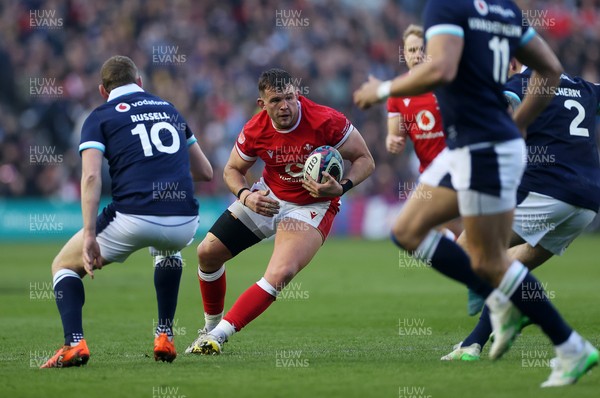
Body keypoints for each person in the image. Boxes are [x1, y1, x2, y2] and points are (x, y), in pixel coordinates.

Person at [354, 0, 597, 387]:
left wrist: (382, 88)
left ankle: (559, 339)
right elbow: (551, 69)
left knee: (473, 257)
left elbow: (441, 68)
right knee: (430, 239)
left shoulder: (446, 7)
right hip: (478, 144)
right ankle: (553, 335)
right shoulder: (505, 10)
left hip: (480, 145)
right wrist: (518, 124)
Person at [185, 68, 374, 355]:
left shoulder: (326, 120)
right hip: (268, 197)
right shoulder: (255, 129)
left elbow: (365, 159)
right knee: (206, 253)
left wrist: (343, 187)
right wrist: (246, 196)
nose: (285, 106)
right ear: (262, 104)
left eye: (289, 98)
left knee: (281, 271)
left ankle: (219, 336)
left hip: (312, 205)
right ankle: (209, 329)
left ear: (297, 95)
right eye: (276, 101)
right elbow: (232, 170)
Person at [40, 55, 213, 368]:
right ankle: (164, 335)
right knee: (168, 250)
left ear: (103, 90)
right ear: (140, 83)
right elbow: (205, 171)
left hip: (132, 215)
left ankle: (74, 344)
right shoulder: (169, 108)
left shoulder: (99, 116)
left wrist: (90, 233)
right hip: (185, 220)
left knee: (63, 266)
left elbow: (91, 176)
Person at [442, 59, 600, 363]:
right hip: (587, 202)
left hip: (548, 190)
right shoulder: (584, 88)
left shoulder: (519, 85)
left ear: (512, 61)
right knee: (513, 267)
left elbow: (503, 111)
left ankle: (512, 308)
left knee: (466, 248)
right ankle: (473, 344)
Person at [386, 24, 462, 239]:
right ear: (404, 54)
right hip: (428, 172)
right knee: (416, 227)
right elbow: (395, 135)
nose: (417, 55)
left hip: (458, 167)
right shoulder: (398, 90)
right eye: (412, 50)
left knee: (417, 226)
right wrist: (393, 140)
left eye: (422, 50)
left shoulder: (447, 83)